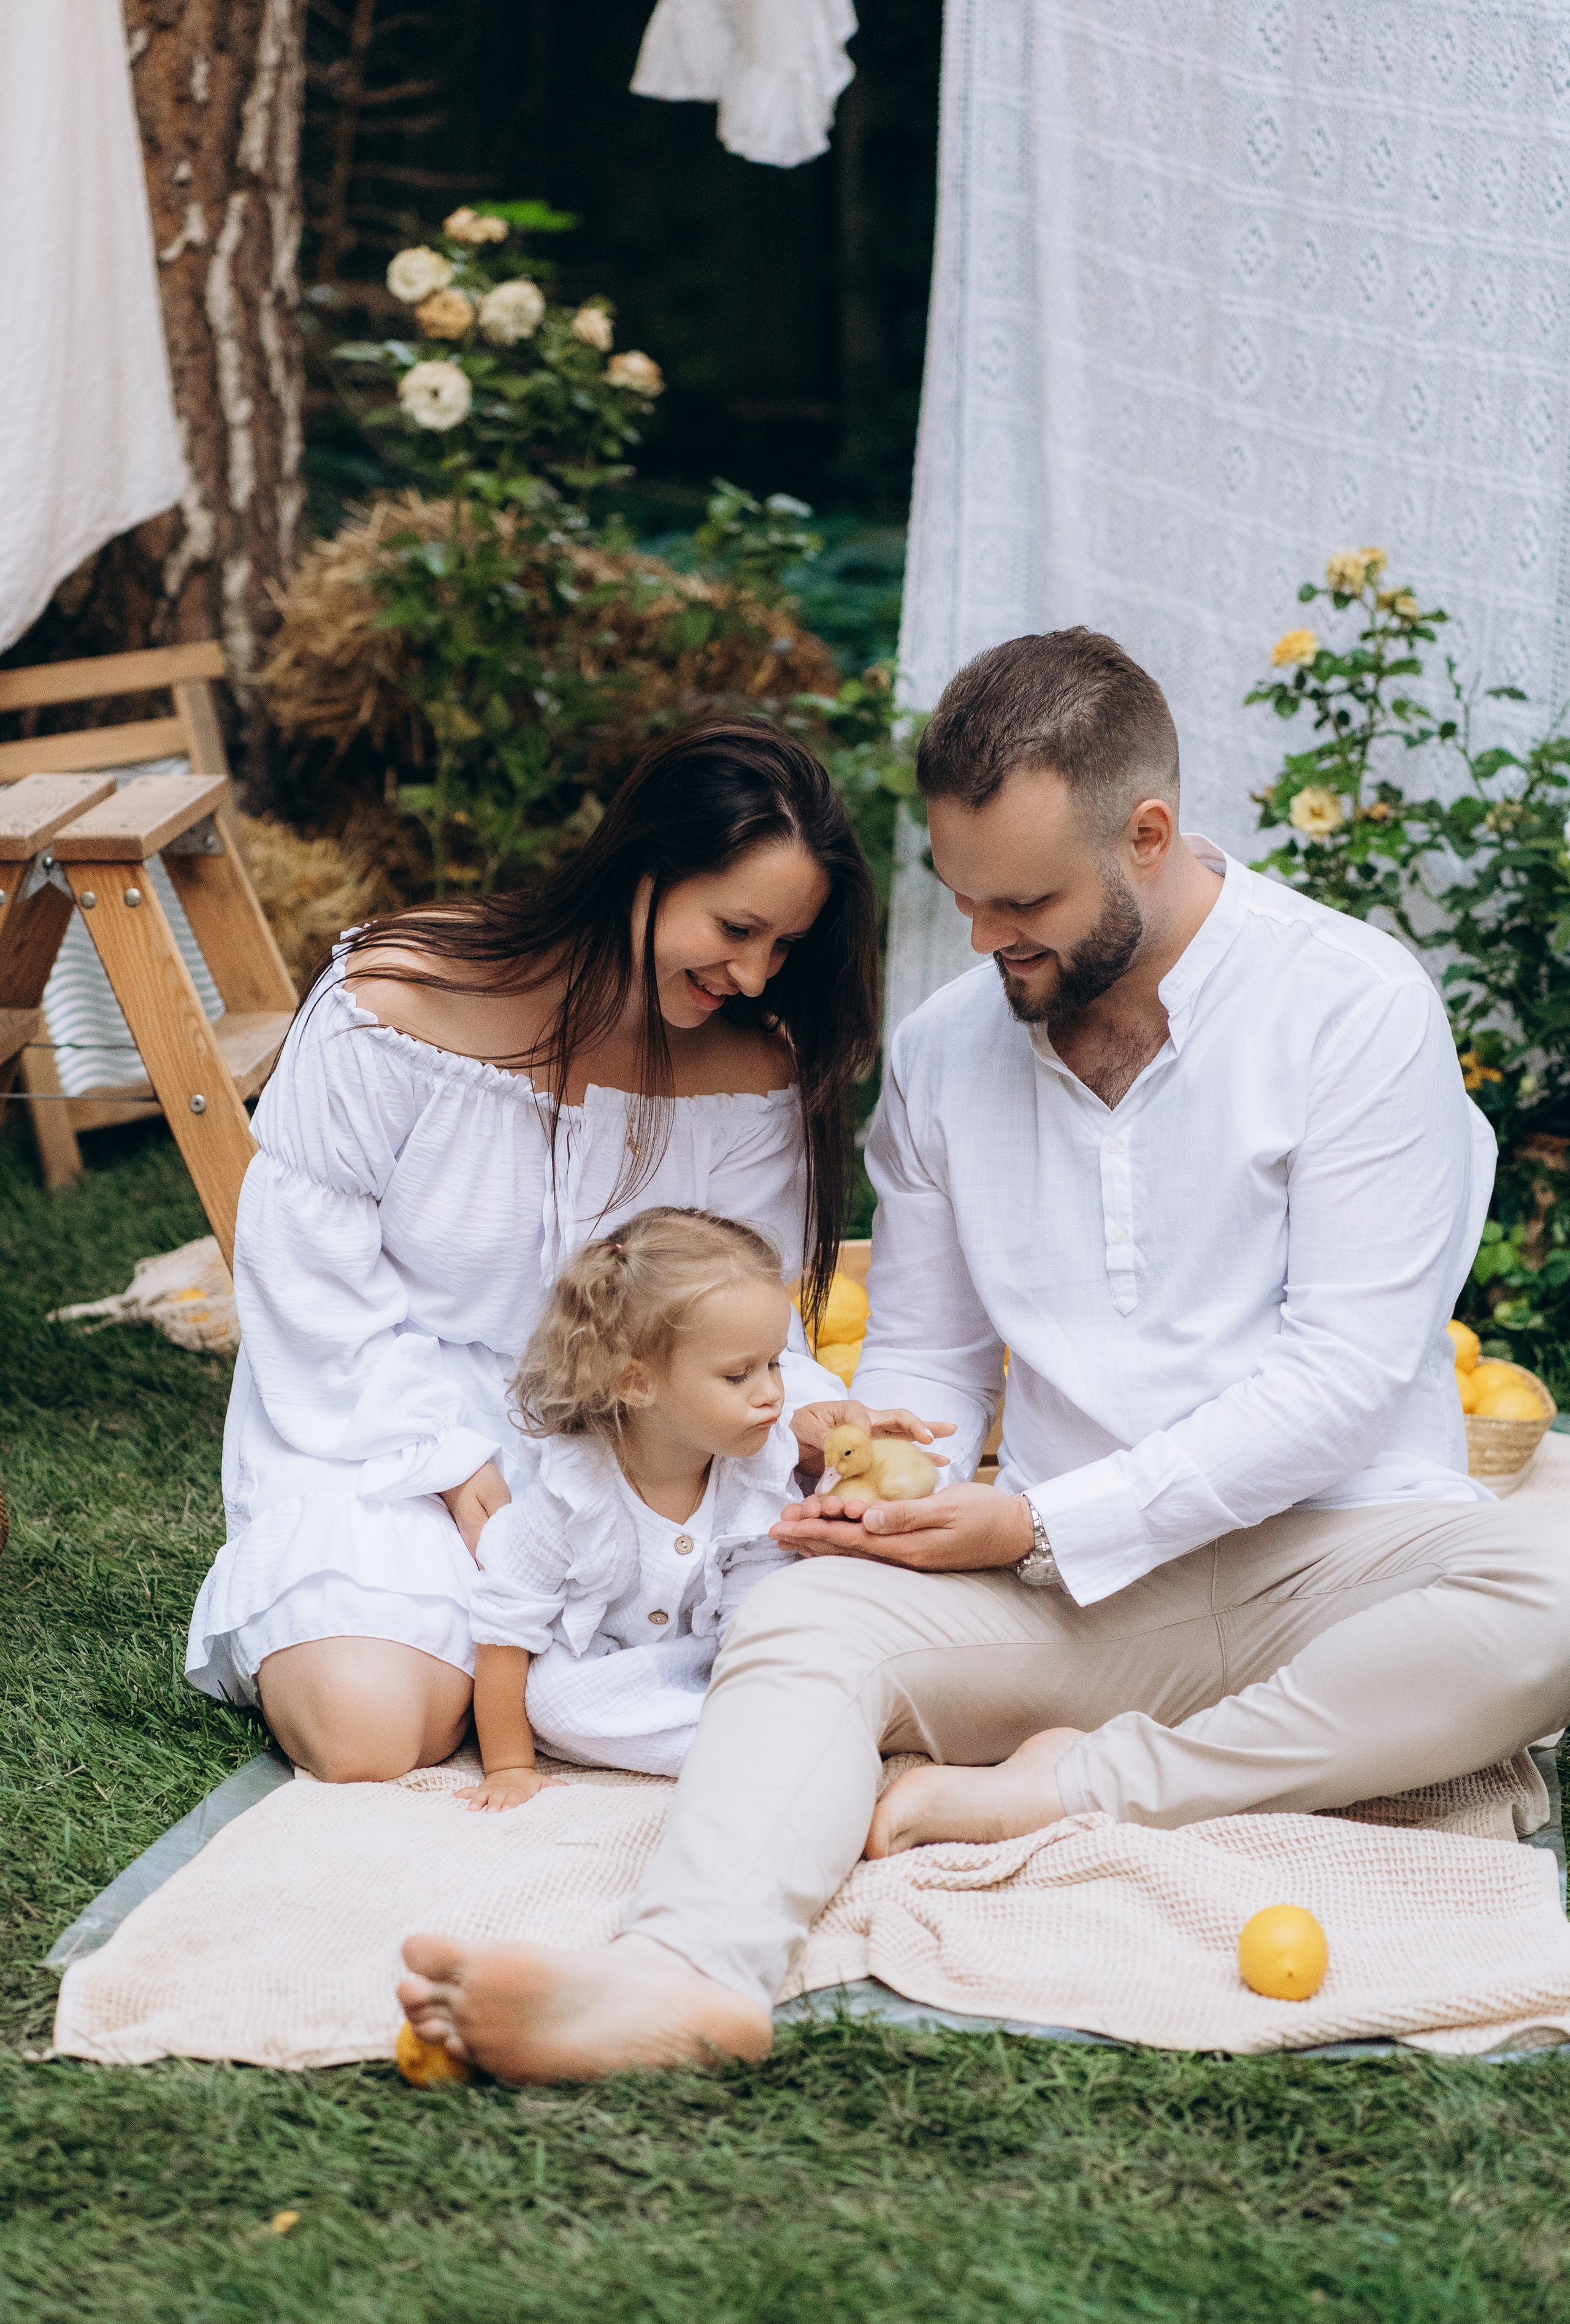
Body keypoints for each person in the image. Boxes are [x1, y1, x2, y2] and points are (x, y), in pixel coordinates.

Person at [397, 627, 1570, 2084]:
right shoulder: (952, 1051)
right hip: (1063, 1599)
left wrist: (1033, 1516)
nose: (985, 938)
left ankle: (1072, 1787)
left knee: (1553, 1586)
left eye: (1025, 900)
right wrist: (880, 1466)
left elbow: (1336, 1387)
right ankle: (680, 1973)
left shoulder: (1349, 1004)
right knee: (804, 1614)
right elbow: (930, 1365)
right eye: (962, 898)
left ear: (1146, 835)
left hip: (1323, 1563)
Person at [185, 717, 894, 1783]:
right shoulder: (394, 1004)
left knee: (800, 1660)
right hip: (391, 1427)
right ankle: (468, 1663)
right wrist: (456, 1469)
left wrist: (802, 1407)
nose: (754, 974)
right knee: (368, 1734)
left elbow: (747, 1312)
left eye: (784, 947)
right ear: (642, 868)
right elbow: (307, 1282)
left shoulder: (754, 1068)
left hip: (638, 1455)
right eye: (736, 927)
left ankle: (523, 1679)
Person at [459, 1208, 813, 1805]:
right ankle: (750, 1749)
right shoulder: (571, 1497)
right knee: (553, 1701)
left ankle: (765, 1734)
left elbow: (759, 1610)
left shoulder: (758, 1465)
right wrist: (508, 1768)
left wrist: (762, 1680)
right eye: (738, 1375)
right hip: (611, 1673)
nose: (772, 1393)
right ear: (635, 1383)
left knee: (811, 1639)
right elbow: (503, 1637)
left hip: (719, 1662)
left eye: (775, 1364)